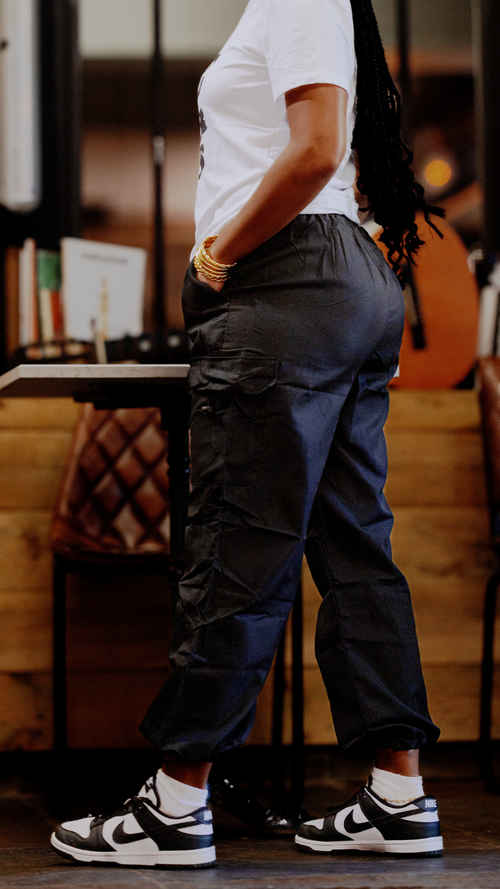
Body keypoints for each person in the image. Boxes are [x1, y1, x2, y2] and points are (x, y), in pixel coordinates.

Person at [51, 0, 444, 869]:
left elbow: (317, 146)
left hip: (287, 281)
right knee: (355, 544)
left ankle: (175, 802)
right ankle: (399, 796)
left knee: (238, 542)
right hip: (340, 279)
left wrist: (214, 257)